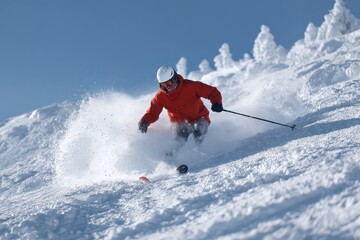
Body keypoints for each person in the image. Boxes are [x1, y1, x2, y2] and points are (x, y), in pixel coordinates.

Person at [138, 65, 223, 146]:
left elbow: (212, 92)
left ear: (174, 78)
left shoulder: (191, 86)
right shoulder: (160, 97)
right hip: (180, 124)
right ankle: (174, 158)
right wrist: (144, 121)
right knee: (179, 141)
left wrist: (217, 103)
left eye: (169, 83)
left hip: (200, 118)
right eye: (164, 84)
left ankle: (201, 153)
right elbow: (152, 113)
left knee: (198, 132)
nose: (168, 87)